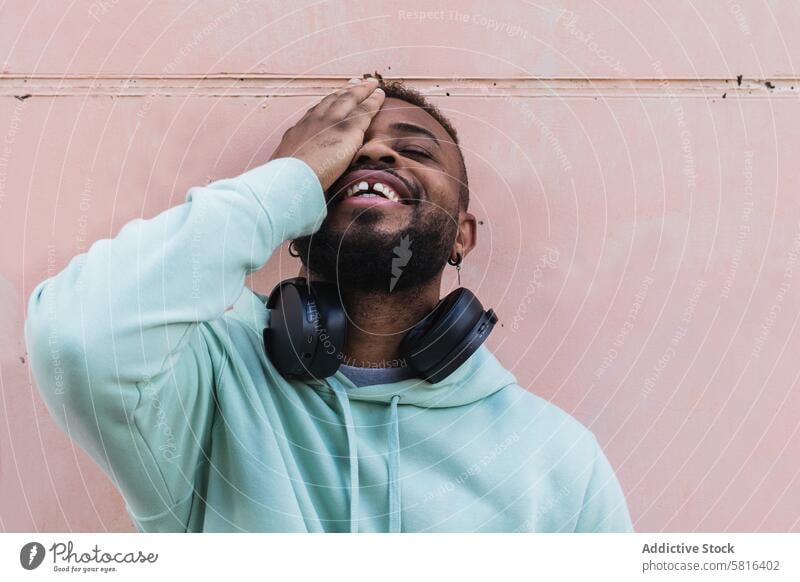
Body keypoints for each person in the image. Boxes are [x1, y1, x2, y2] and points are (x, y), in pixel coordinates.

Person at [25, 75, 634, 533]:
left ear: (462, 236)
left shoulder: (555, 459)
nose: (377, 157)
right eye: (343, 158)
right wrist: (285, 180)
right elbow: (74, 339)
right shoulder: (207, 375)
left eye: (416, 152)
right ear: (298, 218)